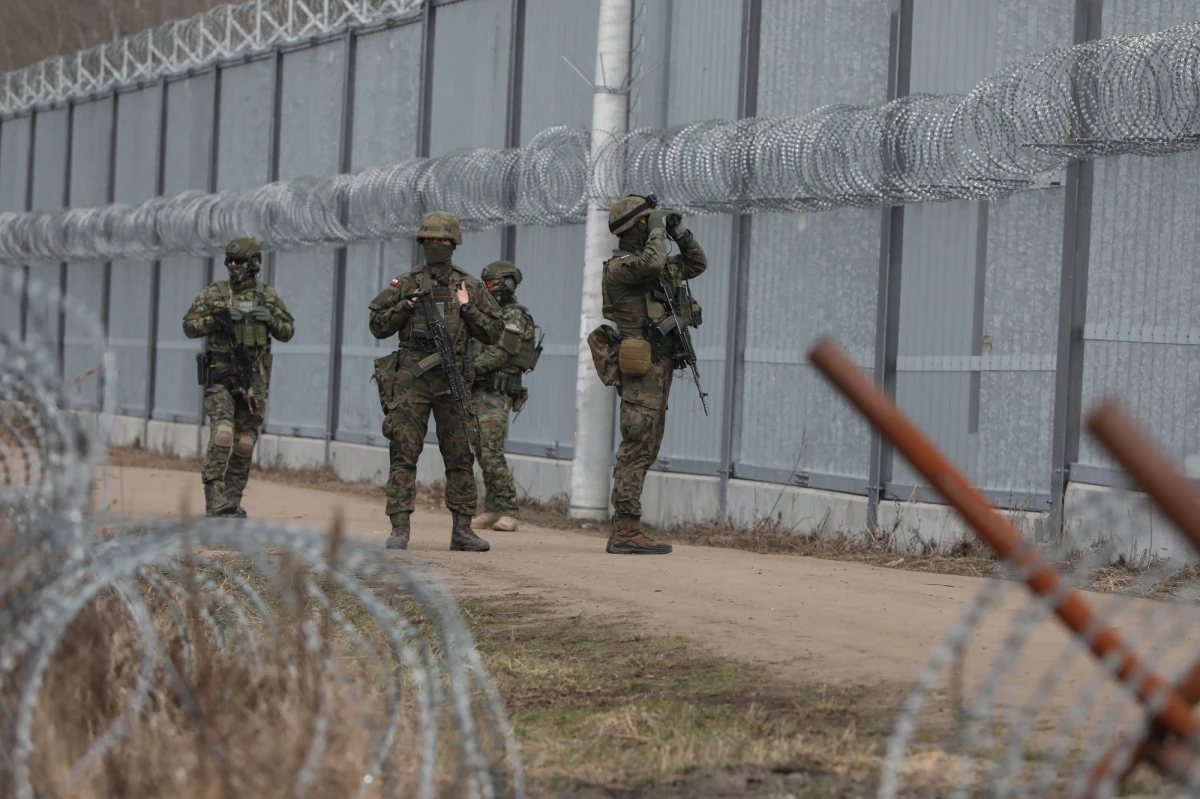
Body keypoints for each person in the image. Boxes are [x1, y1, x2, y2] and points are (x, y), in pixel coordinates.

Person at [368, 211, 504, 552]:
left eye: (442, 242)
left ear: (453, 245)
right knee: (403, 452)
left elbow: (494, 331)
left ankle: (462, 529)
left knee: (460, 455)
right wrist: (405, 306)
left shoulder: (468, 286)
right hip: (412, 379)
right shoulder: (406, 283)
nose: (436, 247)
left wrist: (468, 308)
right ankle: (400, 528)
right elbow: (377, 325)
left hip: (452, 378)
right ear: (422, 244)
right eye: (430, 241)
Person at [596, 194, 707, 554]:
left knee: (648, 445)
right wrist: (658, 228)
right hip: (641, 367)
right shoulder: (621, 267)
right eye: (650, 222)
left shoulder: (653, 264)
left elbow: (697, 262)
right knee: (636, 445)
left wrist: (680, 231)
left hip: (659, 366)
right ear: (640, 226)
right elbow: (653, 260)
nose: (655, 227)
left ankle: (627, 528)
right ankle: (625, 531)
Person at [183, 237, 295, 518]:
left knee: (245, 442)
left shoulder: (266, 296)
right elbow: (189, 325)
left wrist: (269, 319)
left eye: (240, 261)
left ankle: (232, 500)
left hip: (253, 381)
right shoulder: (214, 294)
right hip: (221, 375)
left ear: (254, 264)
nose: (234, 266)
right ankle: (215, 498)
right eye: (231, 261)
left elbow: (288, 330)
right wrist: (217, 318)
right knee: (223, 433)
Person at [470, 260, 540, 533]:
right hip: (482, 389)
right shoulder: (490, 315)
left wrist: (470, 368)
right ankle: (492, 507)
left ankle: (509, 509)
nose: (487, 290)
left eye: (491, 285)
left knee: (490, 450)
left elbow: (501, 353)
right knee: (481, 450)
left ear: (507, 284)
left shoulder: (514, 317)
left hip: (497, 391)